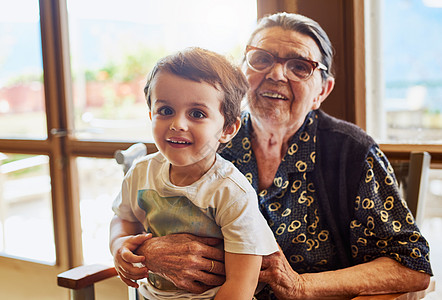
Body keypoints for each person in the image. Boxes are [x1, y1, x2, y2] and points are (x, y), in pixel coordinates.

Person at [133, 12, 433, 300]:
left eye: (300, 66)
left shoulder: (350, 152)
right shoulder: (205, 136)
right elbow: (141, 214)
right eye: (261, 59)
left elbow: (411, 266)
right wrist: (145, 251)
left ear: (322, 91)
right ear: (241, 74)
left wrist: (300, 286)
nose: (276, 74)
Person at [110, 47, 279, 300]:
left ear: (228, 129)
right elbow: (122, 219)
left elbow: (241, 285)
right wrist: (119, 246)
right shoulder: (140, 173)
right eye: (165, 110)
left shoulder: (232, 192)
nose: (178, 124)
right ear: (150, 115)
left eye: (197, 114)